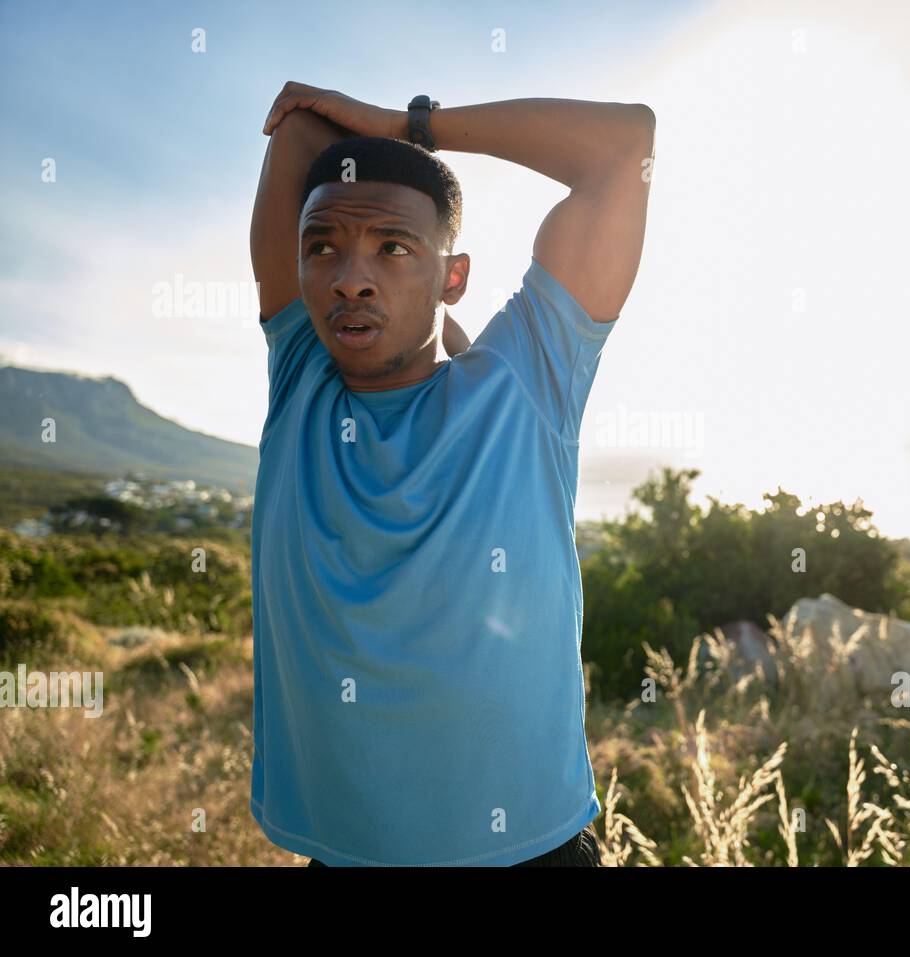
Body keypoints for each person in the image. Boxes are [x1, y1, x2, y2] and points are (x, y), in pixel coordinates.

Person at [248, 83, 654, 866]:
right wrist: (379, 173)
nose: (350, 279)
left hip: (528, 854)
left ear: (454, 275)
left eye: (394, 248)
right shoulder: (299, 375)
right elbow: (297, 126)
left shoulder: (526, 379)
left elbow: (625, 147)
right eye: (322, 246)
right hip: (344, 856)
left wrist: (412, 129)